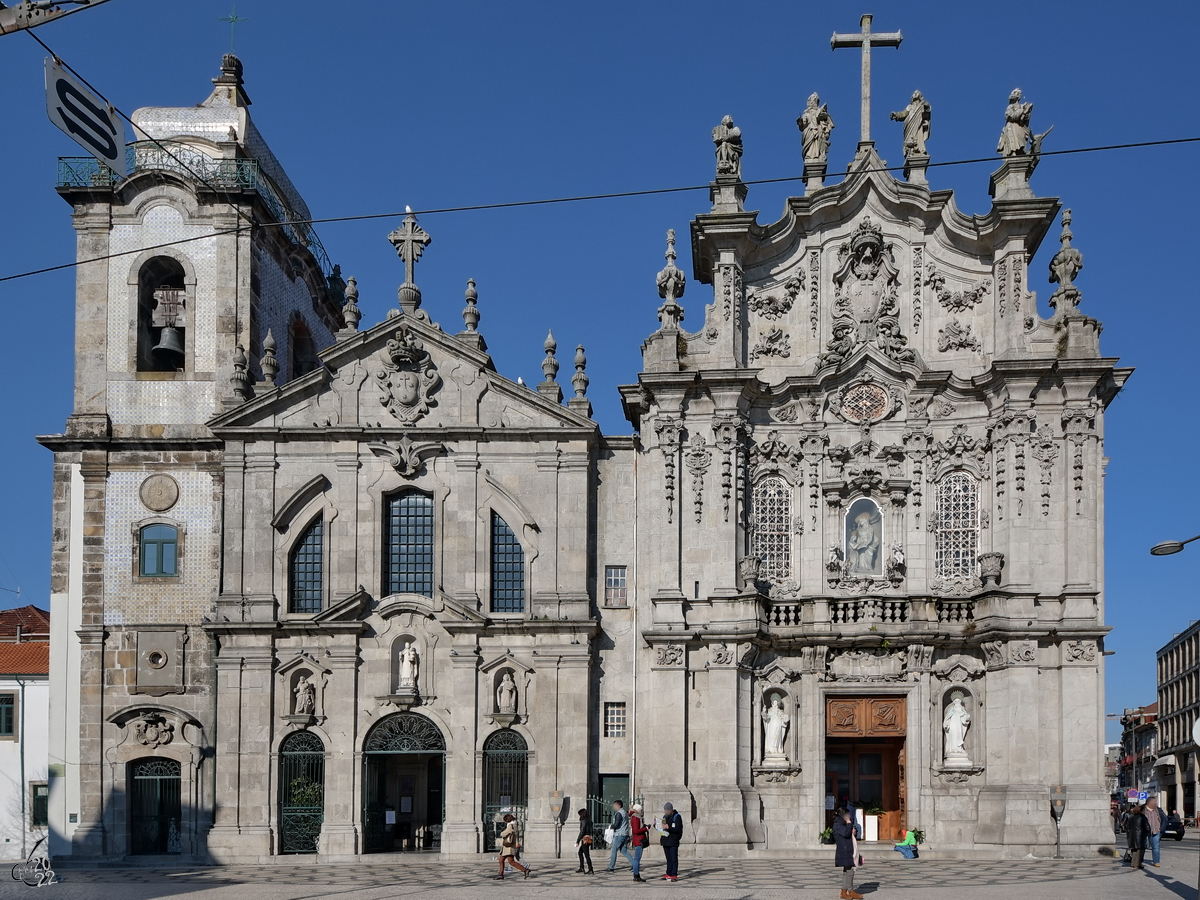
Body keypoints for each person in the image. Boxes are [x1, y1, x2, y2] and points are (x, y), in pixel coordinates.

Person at [833, 807, 863, 899]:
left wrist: (852, 830)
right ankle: (850, 891)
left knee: (847, 871)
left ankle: (844, 891)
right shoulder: (837, 824)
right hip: (844, 851)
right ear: (844, 815)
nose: (849, 817)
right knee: (849, 871)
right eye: (848, 815)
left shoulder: (842, 823)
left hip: (847, 849)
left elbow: (849, 832)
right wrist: (849, 824)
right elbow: (846, 833)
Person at [495, 813, 531, 880]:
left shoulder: (511, 826)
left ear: (507, 820)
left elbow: (505, 833)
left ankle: (525, 870)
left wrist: (501, 833)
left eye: (505, 820)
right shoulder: (514, 825)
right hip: (508, 847)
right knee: (503, 860)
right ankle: (500, 874)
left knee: (509, 861)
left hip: (508, 847)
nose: (505, 822)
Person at [606, 799, 635, 873]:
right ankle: (634, 864)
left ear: (619, 805)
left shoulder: (619, 813)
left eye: (615, 805)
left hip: (619, 834)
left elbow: (617, 824)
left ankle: (611, 867)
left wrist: (611, 826)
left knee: (614, 850)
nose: (614, 807)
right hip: (625, 833)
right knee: (624, 850)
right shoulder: (625, 812)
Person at [660, 801, 684, 882]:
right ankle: (668, 873)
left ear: (671, 810)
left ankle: (674, 874)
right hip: (665, 840)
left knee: (674, 858)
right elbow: (663, 827)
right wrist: (657, 825)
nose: (666, 812)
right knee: (668, 858)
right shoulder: (664, 817)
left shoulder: (677, 817)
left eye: (667, 811)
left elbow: (678, 829)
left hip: (673, 841)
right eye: (665, 810)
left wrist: (669, 827)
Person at [629, 803, 649, 883]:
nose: (642, 811)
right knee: (637, 859)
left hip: (638, 839)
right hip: (638, 840)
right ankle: (636, 875)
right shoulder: (636, 818)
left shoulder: (635, 817)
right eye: (641, 810)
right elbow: (636, 831)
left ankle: (636, 874)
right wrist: (645, 828)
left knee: (637, 858)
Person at [1126, 804, 1148, 870]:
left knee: (1135, 850)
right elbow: (1147, 827)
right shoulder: (1142, 817)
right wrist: (1148, 833)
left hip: (1133, 836)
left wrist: (1129, 835)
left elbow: (1128, 827)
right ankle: (1138, 864)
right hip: (1141, 836)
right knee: (1140, 851)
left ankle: (1133, 863)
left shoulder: (1131, 817)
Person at [1144, 795, 1166, 866]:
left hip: (1156, 830)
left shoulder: (1158, 810)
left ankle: (1156, 862)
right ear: (1148, 802)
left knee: (1156, 846)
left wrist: (1161, 829)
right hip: (1146, 831)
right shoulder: (1143, 810)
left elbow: (1165, 819)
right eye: (1153, 802)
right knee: (1143, 846)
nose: (1155, 803)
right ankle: (1139, 860)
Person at [575, 808, 594, 875]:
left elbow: (582, 831)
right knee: (580, 852)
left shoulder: (583, 821)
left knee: (586, 855)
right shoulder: (590, 821)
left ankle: (590, 869)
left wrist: (577, 841)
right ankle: (582, 867)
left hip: (585, 839)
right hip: (589, 838)